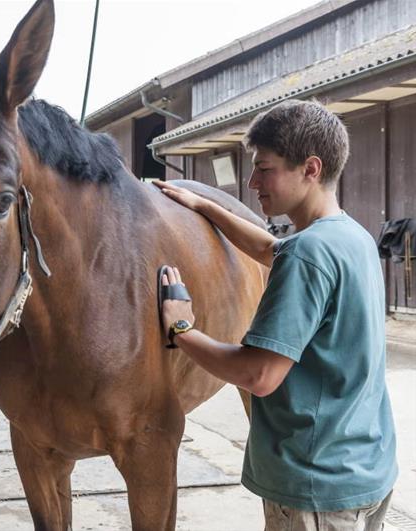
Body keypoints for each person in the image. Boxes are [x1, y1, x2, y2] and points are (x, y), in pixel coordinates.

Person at [154, 99, 397, 531]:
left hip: (315, 488)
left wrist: (182, 327)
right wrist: (208, 207)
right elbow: (272, 249)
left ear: (311, 168)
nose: (252, 182)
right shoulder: (349, 236)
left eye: (264, 169)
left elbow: (258, 375)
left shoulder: (309, 253)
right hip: (365, 468)